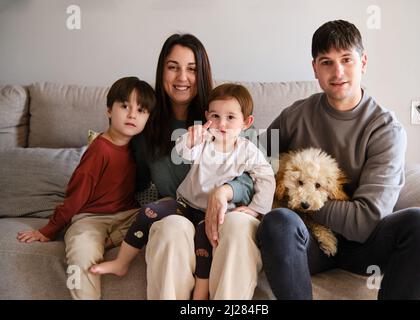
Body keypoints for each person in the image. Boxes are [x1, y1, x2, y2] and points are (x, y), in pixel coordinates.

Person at [257, 20, 420, 300]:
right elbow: (249, 159)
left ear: (363, 62)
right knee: (278, 222)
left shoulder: (385, 128)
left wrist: (302, 199)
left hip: (368, 247)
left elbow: (366, 220)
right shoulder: (294, 116)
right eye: (327, 62)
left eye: (347, 59)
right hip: (308, 243)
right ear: (315, 69)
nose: (338, 72)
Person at [90, 83, 275, 300]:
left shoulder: (247, 150)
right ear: (207, 116)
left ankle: (199, 297)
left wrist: (255, 209)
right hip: (185, 205)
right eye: (215, 116)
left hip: (215, 214)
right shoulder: (205, 140)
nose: (222, 124)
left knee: (205, 247)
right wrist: (190, 138)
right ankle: (121, 262)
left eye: (231, 118)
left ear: (246, 123)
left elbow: (266, 177)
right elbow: (182, 153)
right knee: (150, 211)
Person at [129, 34, 260, 299]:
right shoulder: (145, 125)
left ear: (202, 74)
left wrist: (225, 191)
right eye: (173, 66)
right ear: (161, 70)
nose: (182, 78)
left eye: (191, 69)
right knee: (170, 228)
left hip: (226, 213)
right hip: (178, 212)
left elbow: (254, 176)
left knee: (238, 226)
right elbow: (137, 182)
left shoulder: (225, 111)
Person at [17, 76, 155, 300]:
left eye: (141, 110)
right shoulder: (99, 149)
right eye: (125, 106)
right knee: (81, 254)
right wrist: (49, 229)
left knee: (157, 217)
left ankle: (109, 243)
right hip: (90, 218)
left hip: (127, 216)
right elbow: (76, 195)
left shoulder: (138, 149)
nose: (132, 114)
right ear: (109, 110)